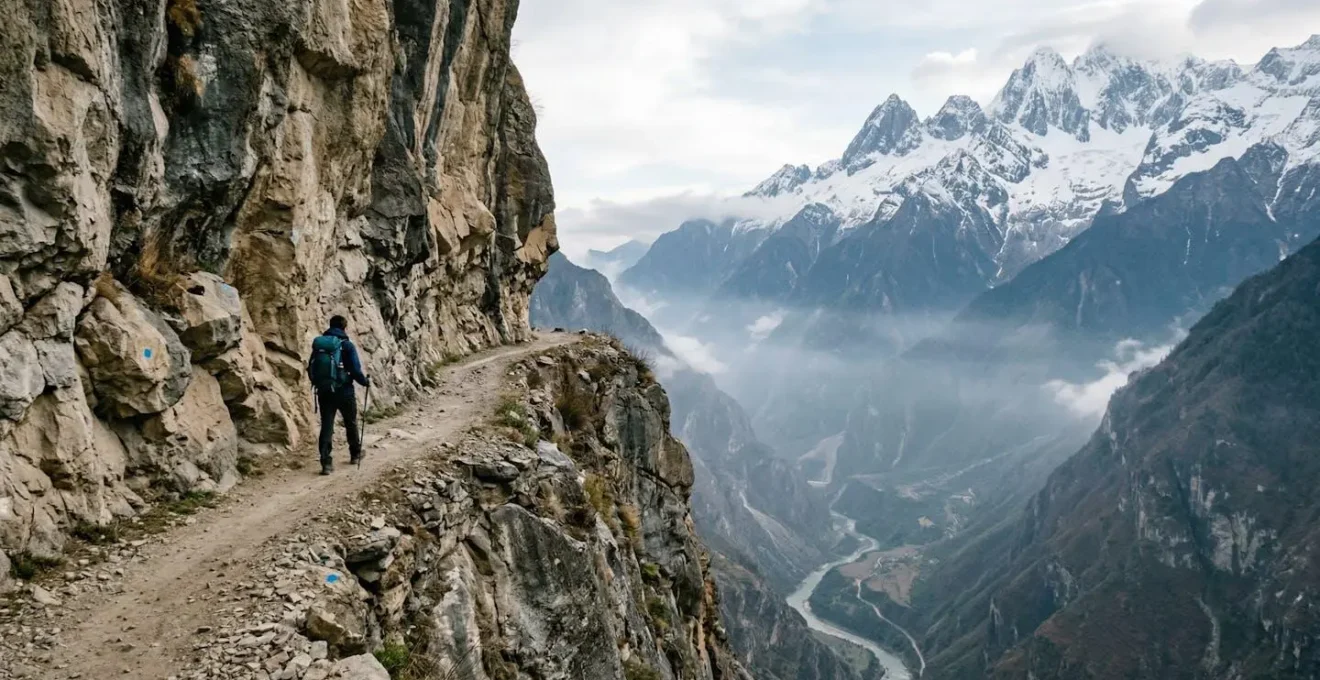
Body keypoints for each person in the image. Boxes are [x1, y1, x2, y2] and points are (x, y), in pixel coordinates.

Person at [307, 315, 370, 475]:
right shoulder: (346, 345)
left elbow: (311, 367)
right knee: (350, 422)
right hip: (344, 390)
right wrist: (364, 382)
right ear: (344, 327)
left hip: (325, 390)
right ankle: (355, 454)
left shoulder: (319, 345)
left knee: (327, 425)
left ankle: (326, 463)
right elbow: (355, 369)